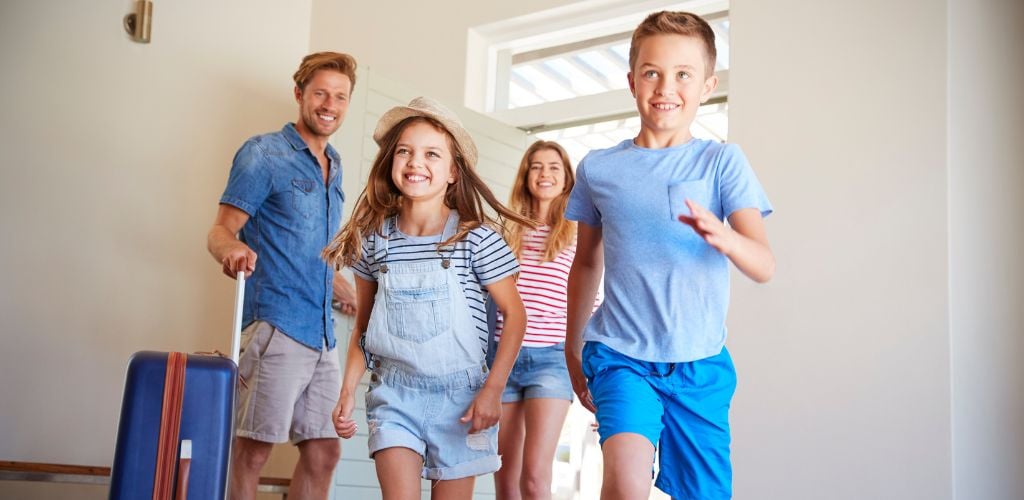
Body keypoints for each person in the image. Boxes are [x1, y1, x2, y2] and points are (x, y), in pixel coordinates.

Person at [564, 11, 775, 500]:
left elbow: (764, 263)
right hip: (621, 355)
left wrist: (727, 240)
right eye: (652, 72)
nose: (666, 86)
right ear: (632, 80)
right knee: (625, 483)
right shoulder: (599, 169)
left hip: (700, 364)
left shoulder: (721, 161)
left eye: (684, 74)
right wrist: (573, 348)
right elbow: (587, 263)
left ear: (707, 85)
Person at [322, 96, 533, 500]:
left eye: (431, 154)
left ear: (453, 172)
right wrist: (347, 390)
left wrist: (493, 389)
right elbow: (364, 328)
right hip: (395, 394)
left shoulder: (475, 239)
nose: (416, 162)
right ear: (392, 162)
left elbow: (514, 315)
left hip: (464, 398)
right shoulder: (375, 242)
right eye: (405, 151)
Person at [206, 51, 357, 500]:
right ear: (299, 95)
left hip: (323, 335)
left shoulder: (336, 164)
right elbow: (219, 230)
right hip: (276, 325)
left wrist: (341, 287)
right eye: (321, 93)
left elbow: (313, 249)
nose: (330, 104)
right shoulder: (263, 154)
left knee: (325, 450)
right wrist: (231, 247)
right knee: (253, 450)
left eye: (341, 97)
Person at [493, 140, 579, 500]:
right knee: (505, 479)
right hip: (502, 359)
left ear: (566, 178)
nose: (544, 174)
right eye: (537, 166)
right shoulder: (505, 232)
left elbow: (589, 304)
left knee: (534, 478)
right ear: (526, 175)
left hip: (551, 360)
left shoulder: (577, 233)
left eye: (553, 167)